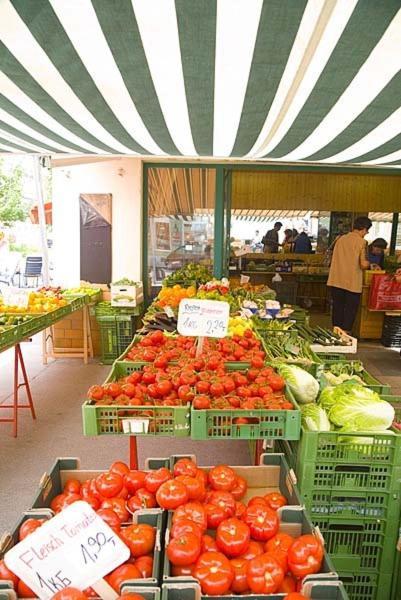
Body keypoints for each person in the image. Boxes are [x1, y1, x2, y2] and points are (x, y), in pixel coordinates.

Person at [327, 216, 372, 333]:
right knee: (350, 310)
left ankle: (336, 332)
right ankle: (346, 333)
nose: (366, 233)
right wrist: (370, 264)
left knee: (337, 307)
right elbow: (363, 264)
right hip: (352, 282)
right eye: (367, 231)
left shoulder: (340, 239)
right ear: (364, 229)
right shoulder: (362, 242)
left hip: (336, 280)